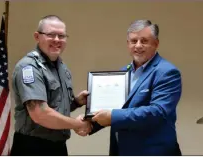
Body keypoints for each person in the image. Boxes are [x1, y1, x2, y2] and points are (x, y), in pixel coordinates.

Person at [76, 19, 182, 156]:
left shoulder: (166, 72)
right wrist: (90, 122)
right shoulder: (123, 73)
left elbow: (158, 112)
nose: (138, 46)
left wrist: (112, 116)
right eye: (133, 41)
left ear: (156, 44)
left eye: (144, 41)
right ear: (127, 44)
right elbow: (116, 108)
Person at [10, 15, 91, 156]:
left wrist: (77, 102)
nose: (57, 40)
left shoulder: (61, 68)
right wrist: (78, 124)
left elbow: (55, 107)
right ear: (37, 36)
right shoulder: (30, 67)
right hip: (32, 147)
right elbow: (40, 114)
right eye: (51, 35)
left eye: (61, 36)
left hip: (57, 147)